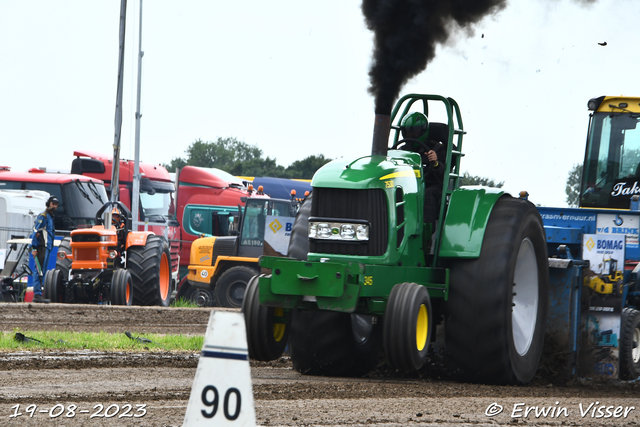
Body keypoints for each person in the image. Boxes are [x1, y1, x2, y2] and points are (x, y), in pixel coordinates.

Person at [399, 112, 447, 225]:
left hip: (431, 184)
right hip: (407, 185)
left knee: (428, 194)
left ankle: (426, 234)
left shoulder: (437, 148)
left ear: (423, 131)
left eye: (414, 131)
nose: (411, 135)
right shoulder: (401, 150)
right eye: (408, 131)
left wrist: (435, 163)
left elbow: (443, 174)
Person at [30, 196, 59, 303]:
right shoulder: (44, 216)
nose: (54, 206)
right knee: (39, 270)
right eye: (53, 204)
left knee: (42, 271)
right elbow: (35, 232)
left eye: (56, 204)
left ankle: (39, 294)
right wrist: (34, 248)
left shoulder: (50, 217)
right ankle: (37, 294)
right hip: (41, 247)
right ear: (48, 204)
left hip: (47, 247)